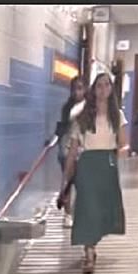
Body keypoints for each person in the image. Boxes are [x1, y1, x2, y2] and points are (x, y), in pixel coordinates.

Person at [61, 71, 127, 274]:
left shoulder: (117, 115)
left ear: (111, 89)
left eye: (107, 85)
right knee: (87, 206)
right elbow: (73, 148)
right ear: (93, 89)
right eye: (99, 85)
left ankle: (93, 245)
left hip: (107, 163)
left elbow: (124, 144)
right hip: (88, 164)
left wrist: (117, 156)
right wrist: (66, 176)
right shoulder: (82, 115)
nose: (103, 89)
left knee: (100, 208)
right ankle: (88, 252)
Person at [55, 74, 86, 227]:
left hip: (84, 149)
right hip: (67, 148)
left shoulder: (90, 108)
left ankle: (78, 212)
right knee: (68, 181)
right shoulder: (67, 108)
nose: (77, 93)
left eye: (80, 89)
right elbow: (64, 128)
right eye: (74, 89)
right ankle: (67, 214)